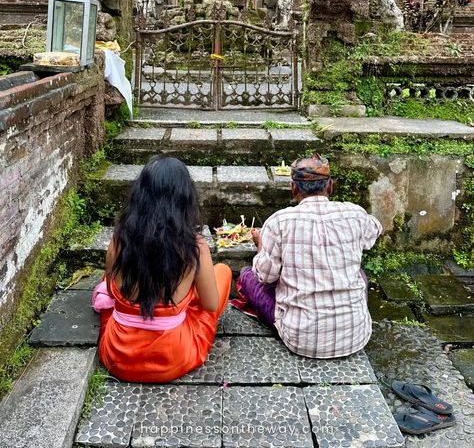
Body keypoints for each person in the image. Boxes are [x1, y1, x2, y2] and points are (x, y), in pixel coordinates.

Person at [92, 156, 232, 382]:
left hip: (117, 355)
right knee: (223, 271)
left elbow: (111, 290)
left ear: (140, 194)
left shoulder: (119, 239)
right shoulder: (195, 246)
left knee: (106, 280)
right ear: (185, 198)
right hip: (173, 356)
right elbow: (211, 305)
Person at [235, 154, 382, 359]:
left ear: (293, 189)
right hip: (356, 336)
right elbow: (375, 230)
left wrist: (261, 246)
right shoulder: (354, 213)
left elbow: (265, 277)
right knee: (361, 275)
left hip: (301, 339)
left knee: (246, 275)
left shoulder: (279, 222)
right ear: (330, 187)